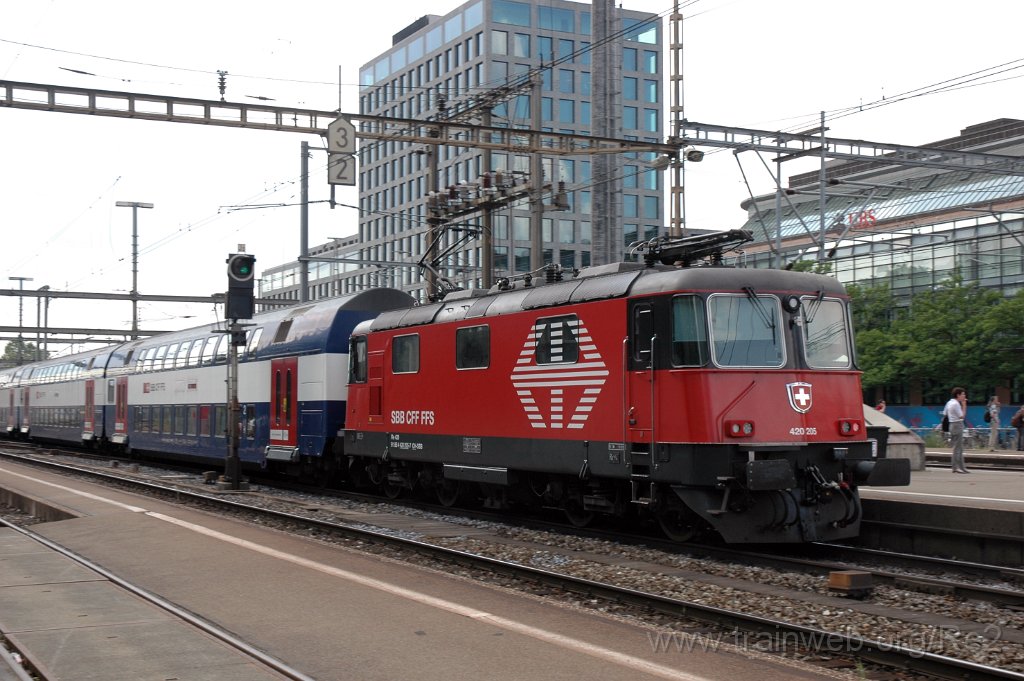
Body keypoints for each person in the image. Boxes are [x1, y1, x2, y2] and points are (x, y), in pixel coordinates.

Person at [944, 387, 968, 473]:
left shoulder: (949, 403)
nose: (964, 396)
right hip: (957, 424)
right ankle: (956, 467)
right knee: (958, 448)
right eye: (963, 394)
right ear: (958, 395)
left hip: (951, 424)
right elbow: (962, 416)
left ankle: (961, 467)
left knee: (958, 447)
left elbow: (945, 413)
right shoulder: (956, 404)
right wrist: (964, 405)